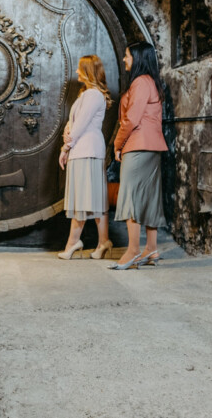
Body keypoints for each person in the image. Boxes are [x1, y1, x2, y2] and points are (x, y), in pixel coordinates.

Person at [109, 41, 168, 270]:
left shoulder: (141, 82)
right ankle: (151, 249)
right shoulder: (150, 82)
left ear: (138, 58)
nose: (125, 59)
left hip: (137, 146)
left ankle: (133, 251)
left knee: (130, 196)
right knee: (150, 197)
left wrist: (117, 143)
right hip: (151, 147)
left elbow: (131, 119)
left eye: (127, 56)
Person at [57, 55, 114, 260]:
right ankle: (103, 242)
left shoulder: (93, 95)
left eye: (80, 69)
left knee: (87, 198)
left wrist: (65, 148)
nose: (76, 72)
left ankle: (74, 242)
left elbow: (80, 125)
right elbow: (73, 123)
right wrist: (67, 134)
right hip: (81, 149)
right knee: (91, 198)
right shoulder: (85, 95)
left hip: (87, 150)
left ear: (88, 71)